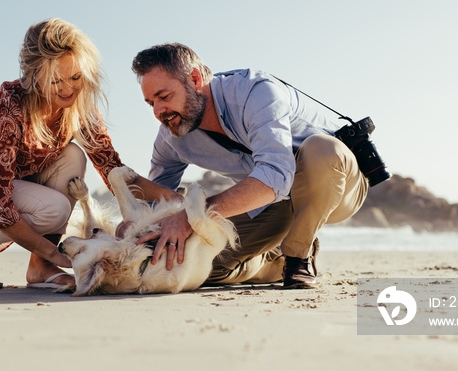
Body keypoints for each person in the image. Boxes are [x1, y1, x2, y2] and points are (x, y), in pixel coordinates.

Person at [127, 43, 370, 289]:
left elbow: (276, 175)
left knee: (323, 149)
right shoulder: (170, 138)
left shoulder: (256, 92)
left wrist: (192, 216)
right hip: (268, 200)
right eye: (150, 103)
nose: (158, 111)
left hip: (336, 186)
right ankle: (273, 263)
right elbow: (156, 198)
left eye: (164, 97)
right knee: (196, 266)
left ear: (195, 78)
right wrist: (133, 228)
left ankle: (299, 254)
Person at [0, 18, 125, 288]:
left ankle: (40, 269)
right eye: (56, 81)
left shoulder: (78, 104)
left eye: (75, 77)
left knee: (73, 156)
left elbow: (113, 169)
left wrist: (166, 206)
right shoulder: (9, 107)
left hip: (5, 185)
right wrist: (55, 252)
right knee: (54, 209)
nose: (68, 89)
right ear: (34, 76)